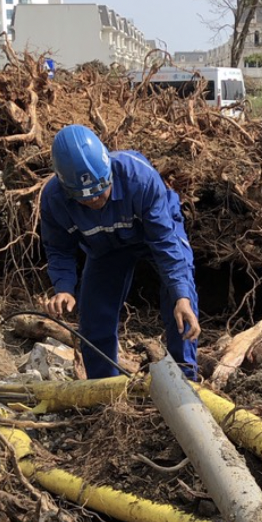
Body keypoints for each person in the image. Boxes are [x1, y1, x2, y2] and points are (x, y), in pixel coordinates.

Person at [38, 125, 200, 380]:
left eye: (101, 191)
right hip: (105, 248)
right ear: (66, 189)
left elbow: (165, 242)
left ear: (108, 171)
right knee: (94, 316)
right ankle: (104, 389)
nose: (95, 201)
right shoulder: (53, 199)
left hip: (153, 234)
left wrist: (181, 294)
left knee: (180, 304)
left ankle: (185, 381)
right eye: (85, 198)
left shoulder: (139, 178)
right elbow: (58, 248)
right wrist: (64, 288)